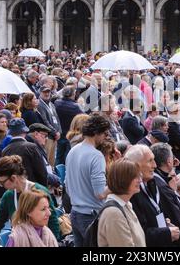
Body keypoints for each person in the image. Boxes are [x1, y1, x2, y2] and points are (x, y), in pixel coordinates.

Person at [0, 155, 61, 247]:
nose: (0, 185)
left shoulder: (39, 192)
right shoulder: (9, 196)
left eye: (2, 182)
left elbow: (53, 222)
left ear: (13, 178)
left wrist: (53, 242)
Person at [65, 114, 111, 247]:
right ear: (96, 133)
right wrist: (117, 185)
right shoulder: (96, 156)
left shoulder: (73, 151)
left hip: (75, 213)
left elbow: (67, 186)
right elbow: (100, 193)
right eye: (104, 133)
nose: (105, 137)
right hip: (91, 216)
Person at [125, 145, 180, 247]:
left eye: (154, 160)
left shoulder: (149, 183)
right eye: (150, 161)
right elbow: (138, 234)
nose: (155, 165)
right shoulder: (131, 193)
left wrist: (164, 225)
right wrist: (165, 233)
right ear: (136, 165)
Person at [151, 143, 180, 247]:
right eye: (172, 157)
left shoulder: (161, 180)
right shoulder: (162, 185)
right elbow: (178, 218)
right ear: (168, 162)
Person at [97, 160, 146, 247]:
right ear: (123, 180)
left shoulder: (126, 204)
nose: (140, 180)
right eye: (135, 177)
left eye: (139, 176)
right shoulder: (113, 213)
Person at [2, 118, 47, 187]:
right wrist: (43, 189)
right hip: (33, 189)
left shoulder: (5, 151)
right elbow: (42, 172)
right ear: (25, 132)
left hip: (14, 190)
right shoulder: (32, 147)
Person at [54, 86, 83, 165]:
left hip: (60, 132)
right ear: (72, 94)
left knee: (59, 156)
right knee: (68, 156)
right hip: (70, 133)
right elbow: (84, 118)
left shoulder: (57, 103)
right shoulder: (75, 106)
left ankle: (59, 173)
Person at [37, 86, 61, 167]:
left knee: (52, 160)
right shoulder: (39, 105)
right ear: (40, 93)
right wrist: (55, 132)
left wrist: (59, 131)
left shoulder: (51, 104)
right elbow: (45, 121)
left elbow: (57, 118)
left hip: (55, 136)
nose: (47, 94)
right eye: (44, 92)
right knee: (47, 159)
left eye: (48, 92)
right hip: (48, 136)